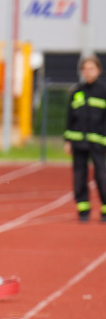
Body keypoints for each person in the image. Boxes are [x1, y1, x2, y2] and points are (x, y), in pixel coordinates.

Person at [64, 55, 106, 222]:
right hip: (79, 142)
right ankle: (83, 209)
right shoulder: (76, 92)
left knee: (101, 176)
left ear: (98, 70)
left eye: (91, 69)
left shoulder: (103, 91)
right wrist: (68, 140)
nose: (88, 73)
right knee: (79, 176)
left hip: (98, 143)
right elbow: (69, 118)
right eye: (85, 69)